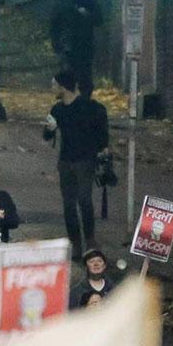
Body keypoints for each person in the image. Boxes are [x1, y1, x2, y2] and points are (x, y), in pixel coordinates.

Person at [43, 70, 109, 256]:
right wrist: (50, 129)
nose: (52, 88)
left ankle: (89, 239)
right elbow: (47, 135)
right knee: (69, 204)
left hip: (84, 160)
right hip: (65, 161)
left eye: (55, 85)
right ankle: (75, 243)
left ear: (63, 87)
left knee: (84, 200)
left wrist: (103, 147)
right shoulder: (57, 109)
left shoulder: (88, 107)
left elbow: (100, 128)